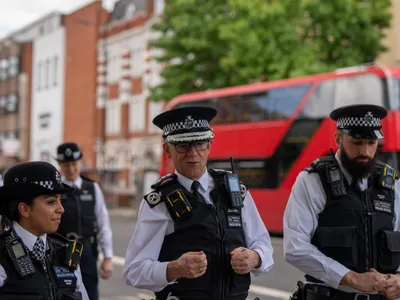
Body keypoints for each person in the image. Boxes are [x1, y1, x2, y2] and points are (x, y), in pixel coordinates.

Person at [123, 106, 274, 300]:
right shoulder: (159, 202)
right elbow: (133, 270)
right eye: (183, 146)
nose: (193, 154)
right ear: (167, 150)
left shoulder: (235, 191)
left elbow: (263, 244)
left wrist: (256, 257)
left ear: (210, 145)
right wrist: (174, 269)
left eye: (200, 143)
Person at [284, 104, 400, 300]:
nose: (365, 151)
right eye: (356, 142)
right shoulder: (313, 180)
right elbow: (295, 247)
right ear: (338, 139)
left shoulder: (392, 183)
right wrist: (350, 278)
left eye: (371, 143)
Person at [0, 161, 89, 300]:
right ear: (24, 209)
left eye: (60, 200)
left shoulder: (66, 253)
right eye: (51, 202)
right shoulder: (2, 256)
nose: (61, 209)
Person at [55, 142, 113, 300]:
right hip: (60, 252)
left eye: (74, 164)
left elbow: (103, 223)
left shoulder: (92, 188)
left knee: (90, 293)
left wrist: (107, 257)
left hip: (86, 251)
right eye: (66, 165)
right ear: (60, 165)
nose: (71, 169)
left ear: (80, 162)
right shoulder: (55, 190)